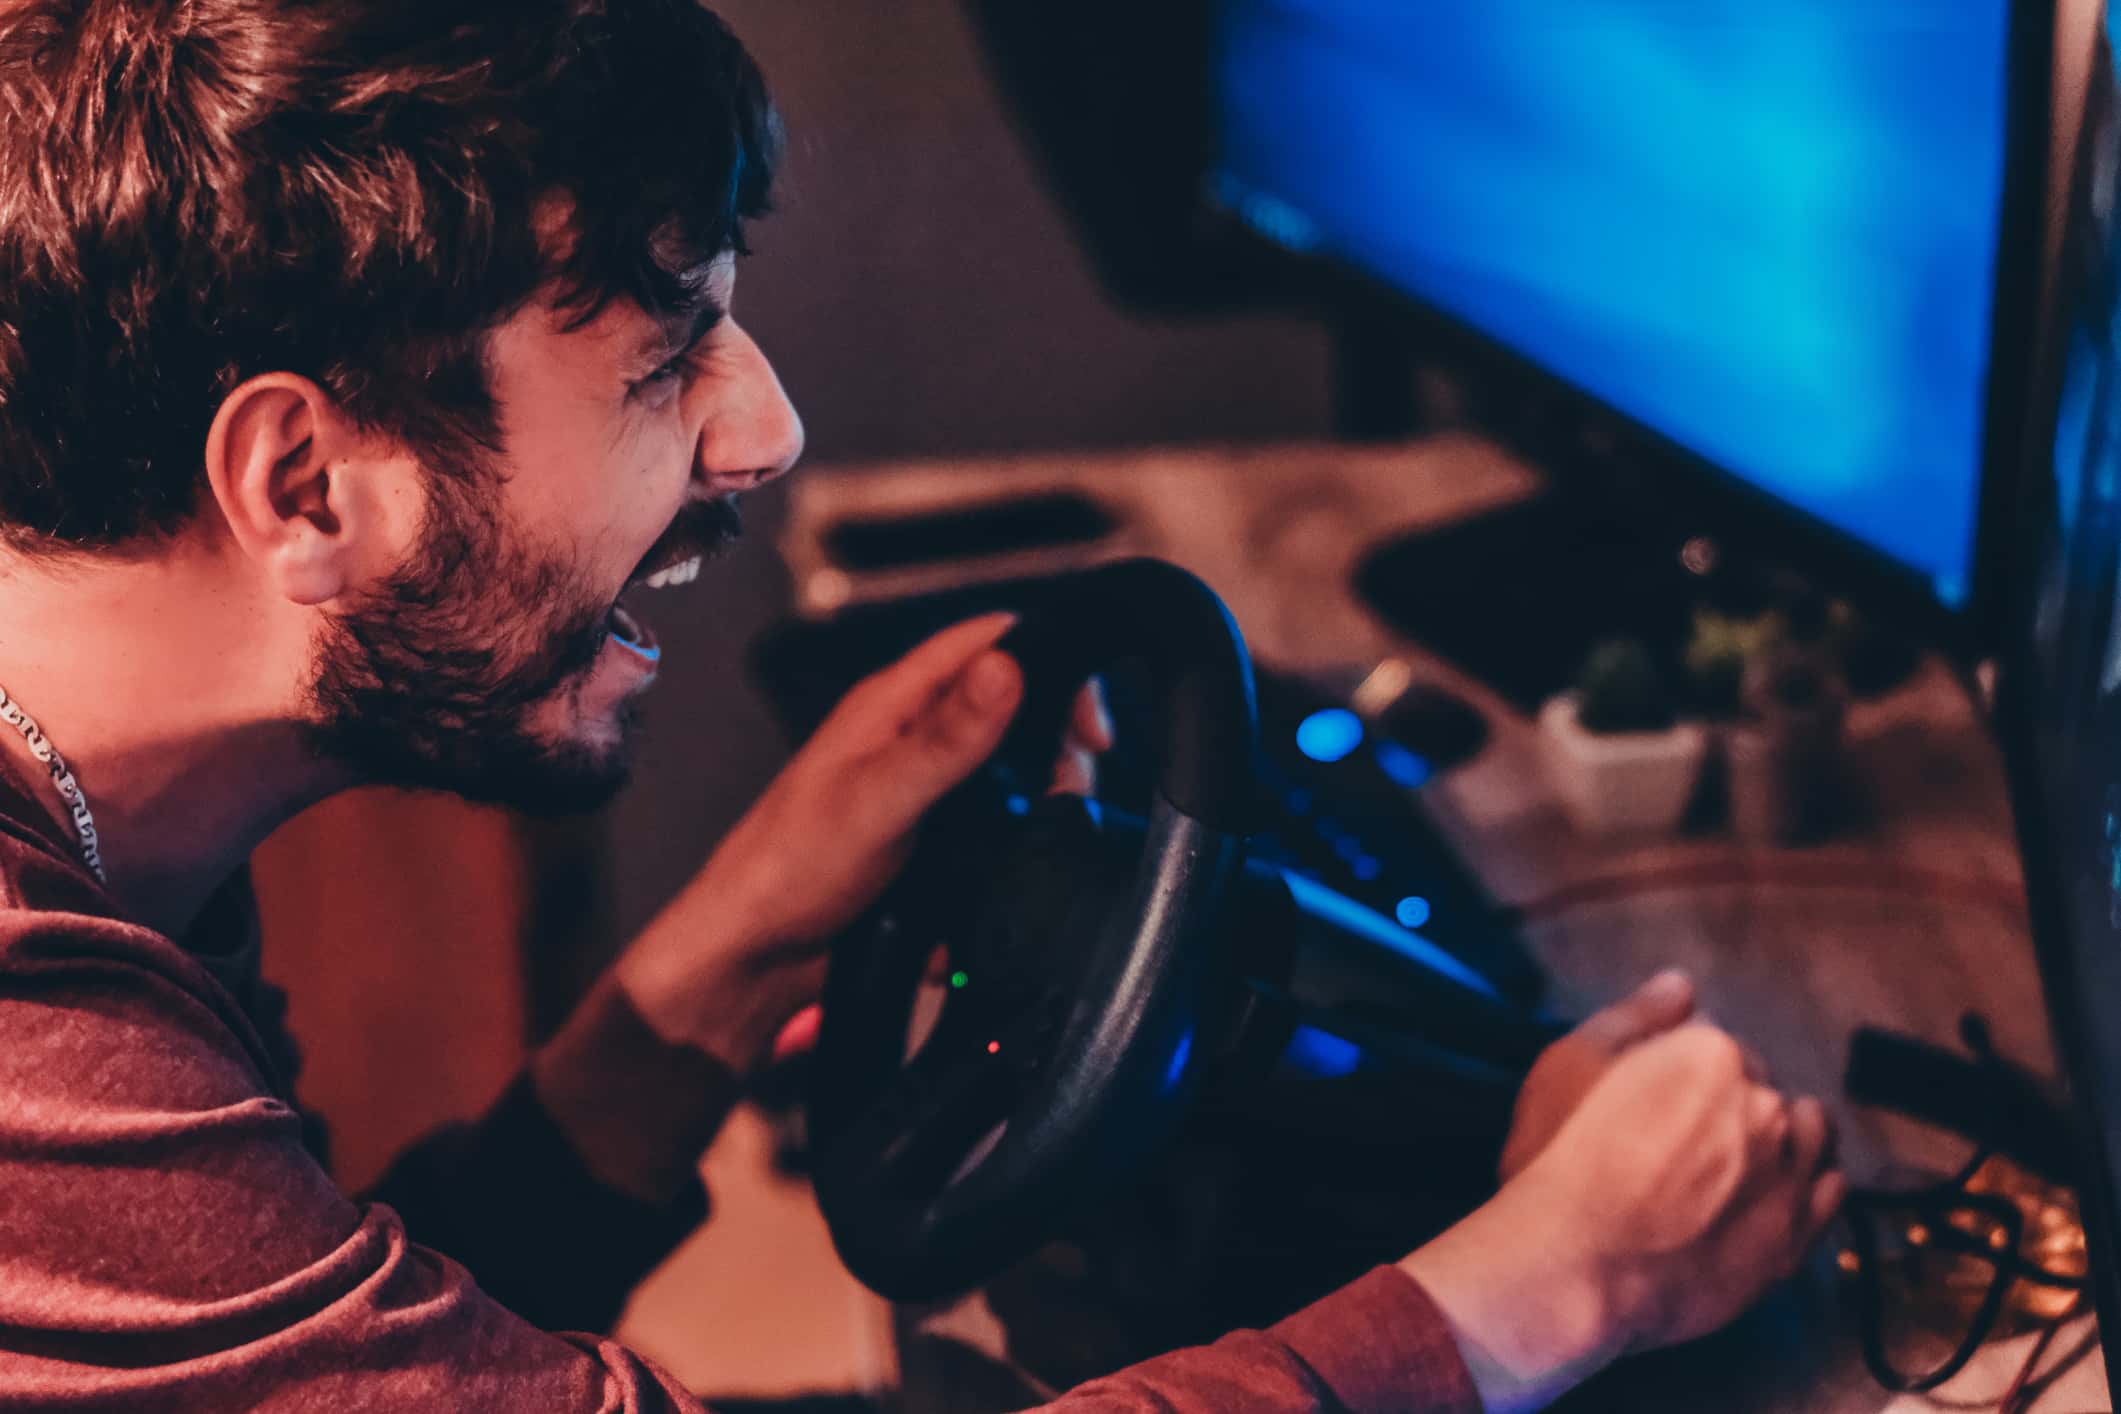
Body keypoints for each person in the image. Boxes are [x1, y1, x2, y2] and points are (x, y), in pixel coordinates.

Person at [0, 2, 1844, 1409]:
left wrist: (731, 950)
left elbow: (340, 1346)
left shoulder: (118, 805)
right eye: (661, 366)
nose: (763, 428)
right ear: (306, 484)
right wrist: (1545, 1287)